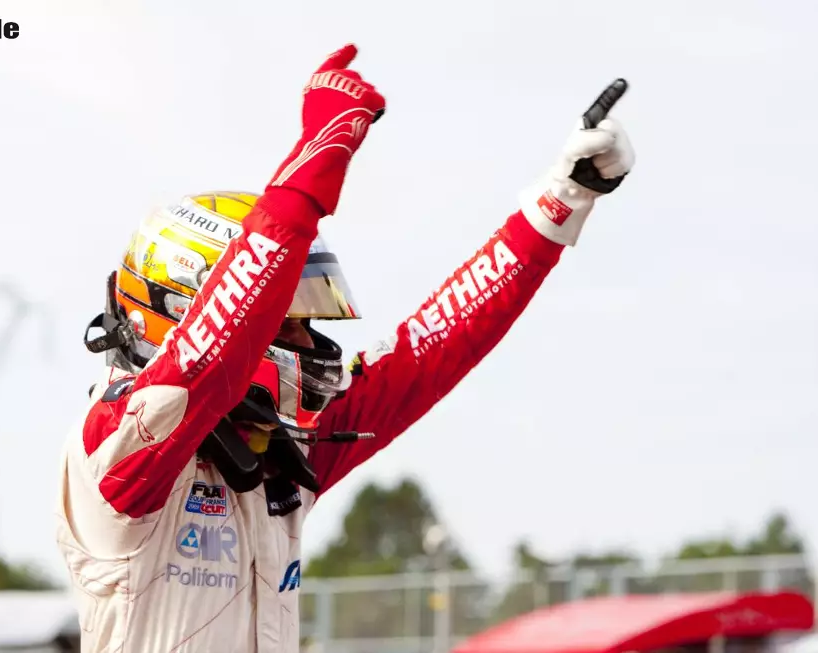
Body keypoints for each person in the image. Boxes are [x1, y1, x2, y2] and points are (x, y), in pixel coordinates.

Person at [55, 44, 636, 653]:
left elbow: (427, 351)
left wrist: (559, 202)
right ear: (184, 311)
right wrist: (316, 159)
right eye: (289, 322)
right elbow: (214, 356)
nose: (311, 343)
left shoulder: (279, 456)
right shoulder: (115, 447)